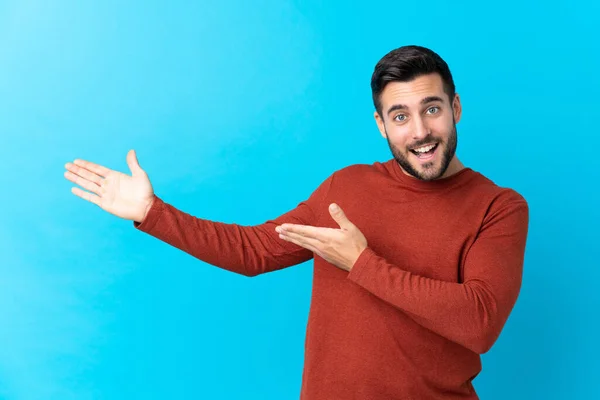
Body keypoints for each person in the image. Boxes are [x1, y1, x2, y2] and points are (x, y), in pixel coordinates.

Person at [64, 45, 529, 399]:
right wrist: (152, 213)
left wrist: (361, 263)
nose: (420, 132)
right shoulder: (347, 187)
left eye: (432, 109)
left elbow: (479, 322)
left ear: (456, 108)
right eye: (400, 116)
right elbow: (254, 250)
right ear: (381, 125)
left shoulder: (499, 206)